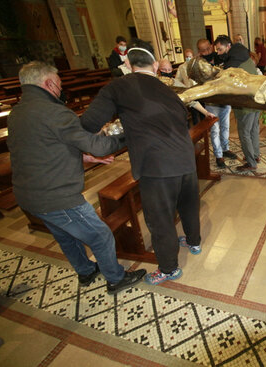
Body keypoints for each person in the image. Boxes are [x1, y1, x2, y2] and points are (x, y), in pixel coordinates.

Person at [7, 61, 146, 294]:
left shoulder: (18, 112)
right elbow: (98, 146)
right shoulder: (54, 112)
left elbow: (41, 149)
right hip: (55, 196)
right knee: (100, 235)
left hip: (28, 195)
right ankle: (115, 279)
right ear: (49, 83)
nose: (61, 89)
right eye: (59, 83)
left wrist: (85, 159)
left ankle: (86, 271)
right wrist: (126, 136)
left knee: (66, 237)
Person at [80, 39, 203, 285]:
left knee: (159, 219)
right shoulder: (167, 88)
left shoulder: (118, 86)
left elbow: (89, 123)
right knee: (188, 204)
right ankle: (193, 241)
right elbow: (182, 117)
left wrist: (120, 134)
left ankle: (169, 269)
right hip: (186, 158)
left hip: (156, 166)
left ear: (127, 63)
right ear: (155, 65)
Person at [215, 35, 262, 171]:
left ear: (228, 46)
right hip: (256, 100)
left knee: (244, 133)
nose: (218, 52)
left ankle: (251, 163)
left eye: (220, 49)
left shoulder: (232, 63)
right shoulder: (243, 54)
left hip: (245, 103)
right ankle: (255, 155)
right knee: (253, 130)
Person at [196, 38, 237, 168]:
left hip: (224, 98)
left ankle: (225, 149)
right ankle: (218, 155)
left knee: (225, 126)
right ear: (200, 52)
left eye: (209, 48)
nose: (208, 51)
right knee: (215, 130)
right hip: (212, 102)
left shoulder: (219, 56)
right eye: (204, 50)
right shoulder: (200, 63)